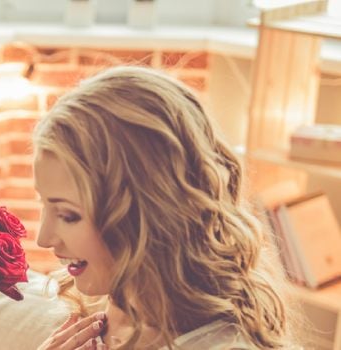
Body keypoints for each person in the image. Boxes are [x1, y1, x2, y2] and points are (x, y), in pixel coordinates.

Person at [32, 66, 296, 349]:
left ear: (146, 214)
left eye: (68, 216)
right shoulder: (108, 307)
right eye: (44, 204)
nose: (43, 238)